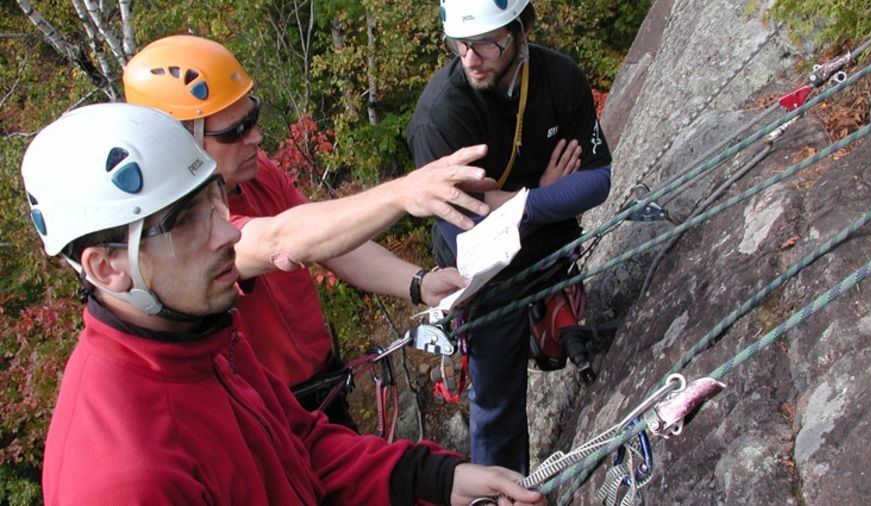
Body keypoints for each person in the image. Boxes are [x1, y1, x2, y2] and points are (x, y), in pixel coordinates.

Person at [24, 103, 544, 506]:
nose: (227, 231)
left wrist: (437, 477)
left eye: (215, 200)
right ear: (106, 267)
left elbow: (300, 447)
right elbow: (285, 237)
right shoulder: (123, 477)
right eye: (184, 219)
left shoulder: (209, 342)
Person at [122, 35, 498, 429]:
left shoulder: (257, 173)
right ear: (183, 144)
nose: (256, 136)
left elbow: (329, 244)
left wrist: (419, 283)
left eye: (253, 117)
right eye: (235, 131)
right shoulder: (181, 232)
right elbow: (279, 240)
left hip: (322, 384)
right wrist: (403, 193)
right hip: (267, 417)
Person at [407, 0, 613, 473]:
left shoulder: (559, 78)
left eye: (486, 42)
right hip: (483, 272)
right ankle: (502, 494)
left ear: (522, 30)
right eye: (459, 43)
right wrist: (540, 194)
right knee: (497, 400)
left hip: (548, 249)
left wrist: (511, 203)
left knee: (560, 337)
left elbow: (598, 179)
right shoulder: (441, 116)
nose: (470, 57)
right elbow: (465, 222)